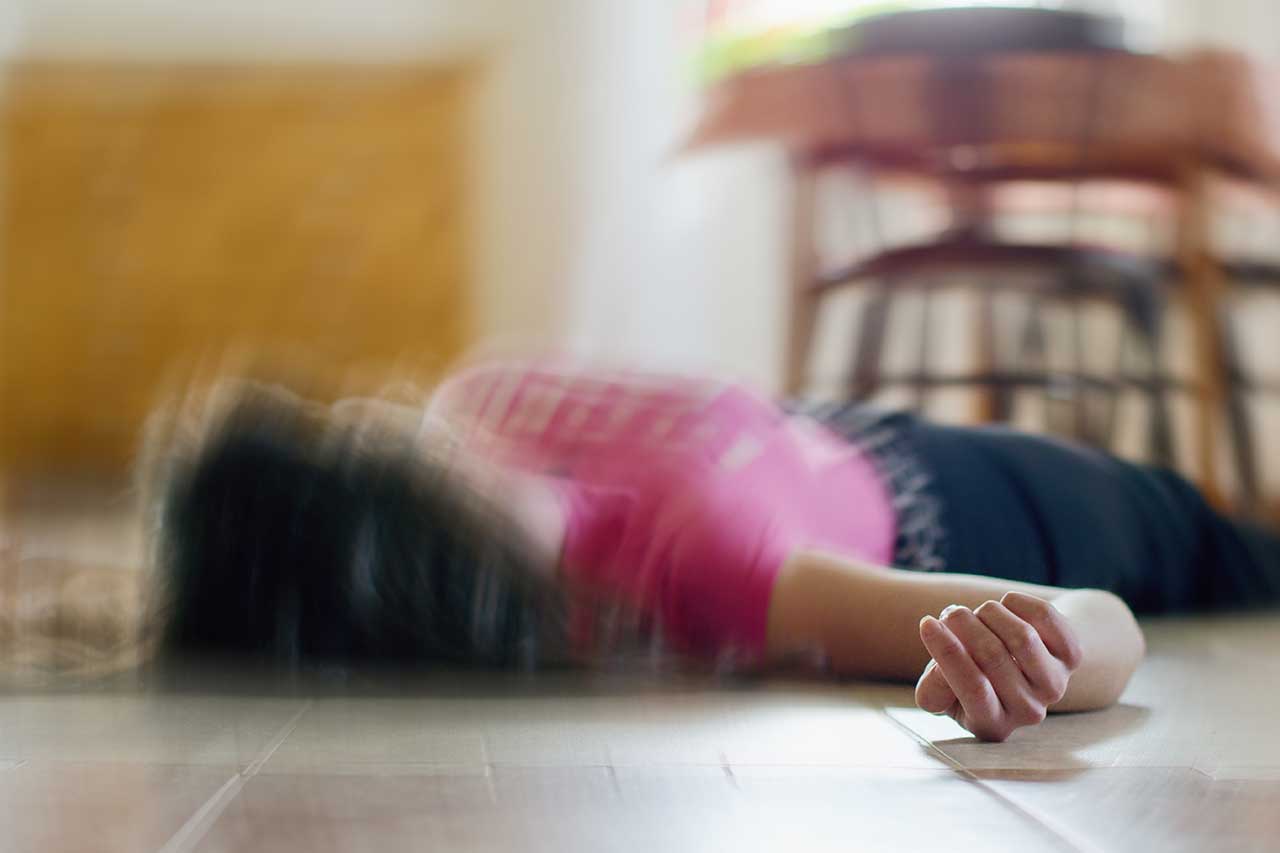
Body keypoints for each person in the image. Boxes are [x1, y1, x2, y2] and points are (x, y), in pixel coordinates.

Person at [34, 357, 1280, 740]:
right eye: (353, 440)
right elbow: (1095, 614)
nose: (374, 412)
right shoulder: (721, 564)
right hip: (1066, 512)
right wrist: (1044, 650)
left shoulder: (486, 402)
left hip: (885, 445)